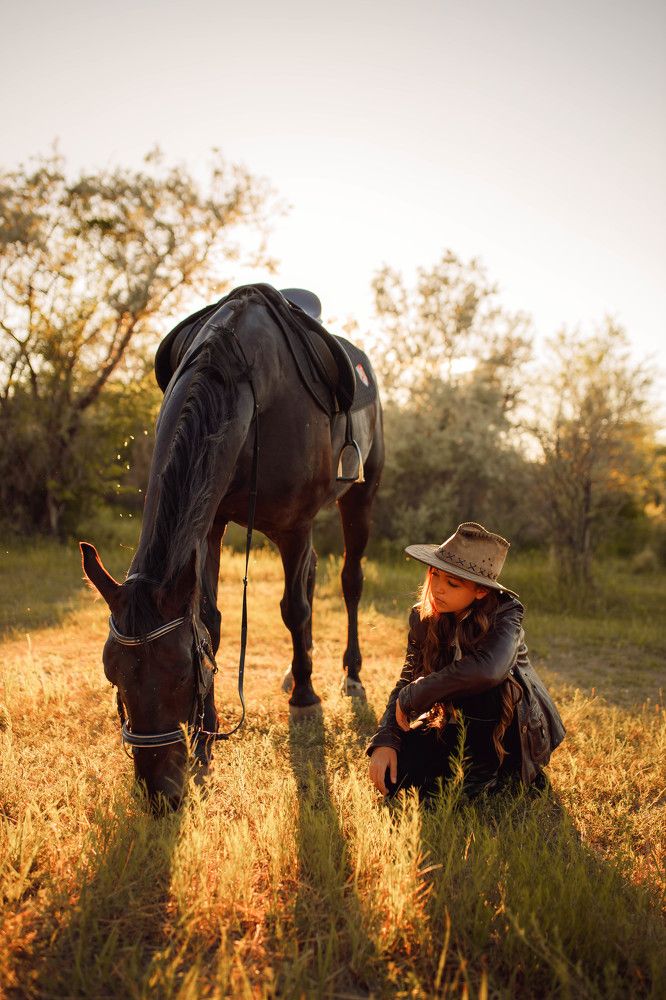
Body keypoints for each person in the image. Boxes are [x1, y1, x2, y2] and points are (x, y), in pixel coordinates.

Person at [367, 522, 565, 801]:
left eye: (452, 583)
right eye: (435, 574)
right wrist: (387, 739)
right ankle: (464, 769)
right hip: (455, 724)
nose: (438, 588)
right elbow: (407, 677)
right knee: (396, 778)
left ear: (480, 591)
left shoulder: (505, 614)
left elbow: (489, 670)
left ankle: (483, 779)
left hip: (509, 733)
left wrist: (417, 693)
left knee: (483, 681)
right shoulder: (423, 616)